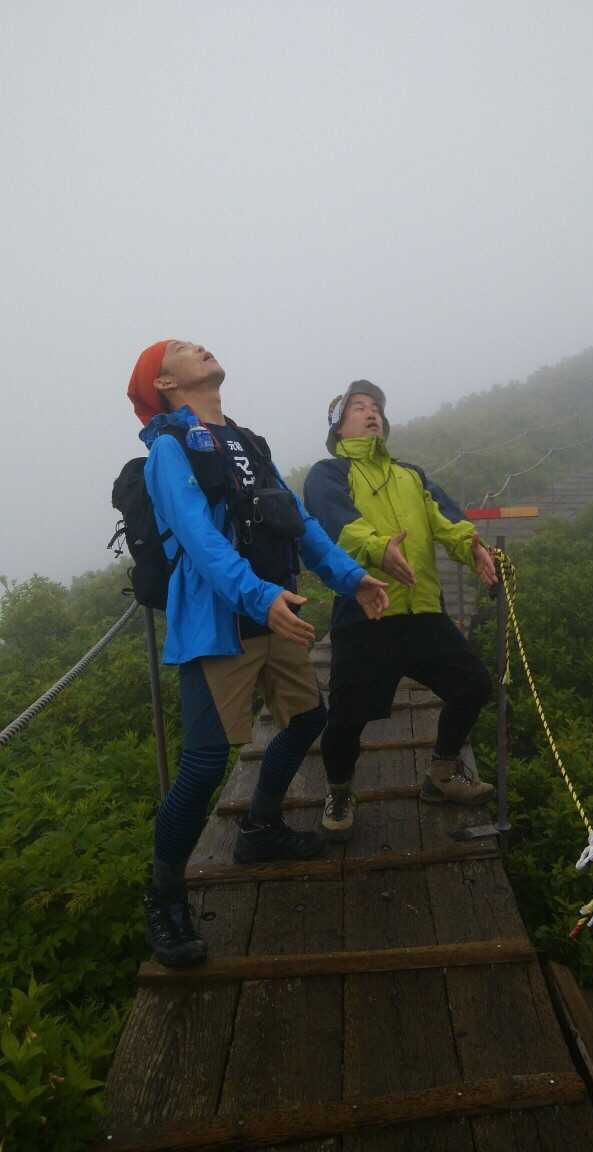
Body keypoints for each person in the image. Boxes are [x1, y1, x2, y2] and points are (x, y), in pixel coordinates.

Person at [126, 342, 388, 966]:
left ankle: (260, 827)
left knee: (307, 718)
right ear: (165, 383)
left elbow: (299, 523)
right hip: (222, 622)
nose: (200, 347)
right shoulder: (169, 449)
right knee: (203, 765)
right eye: (182, 350)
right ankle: (164, 897)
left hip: (273, 610)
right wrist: (260, 596)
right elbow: (199, 540)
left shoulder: (245, 442)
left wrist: (351, 576)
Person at [303, 380, 497, 841]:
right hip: (365, 611)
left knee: (473, 685)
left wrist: (473, 547)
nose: (371, 413)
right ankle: (339, 791)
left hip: (424, 609)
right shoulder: (328, 474)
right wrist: (377, 548)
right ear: (337, 426)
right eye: (358, 407)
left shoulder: (412, 475)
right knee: (346, 718)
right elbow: (335, 523)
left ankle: (442, 774)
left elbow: (446, 519)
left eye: (376, 407)